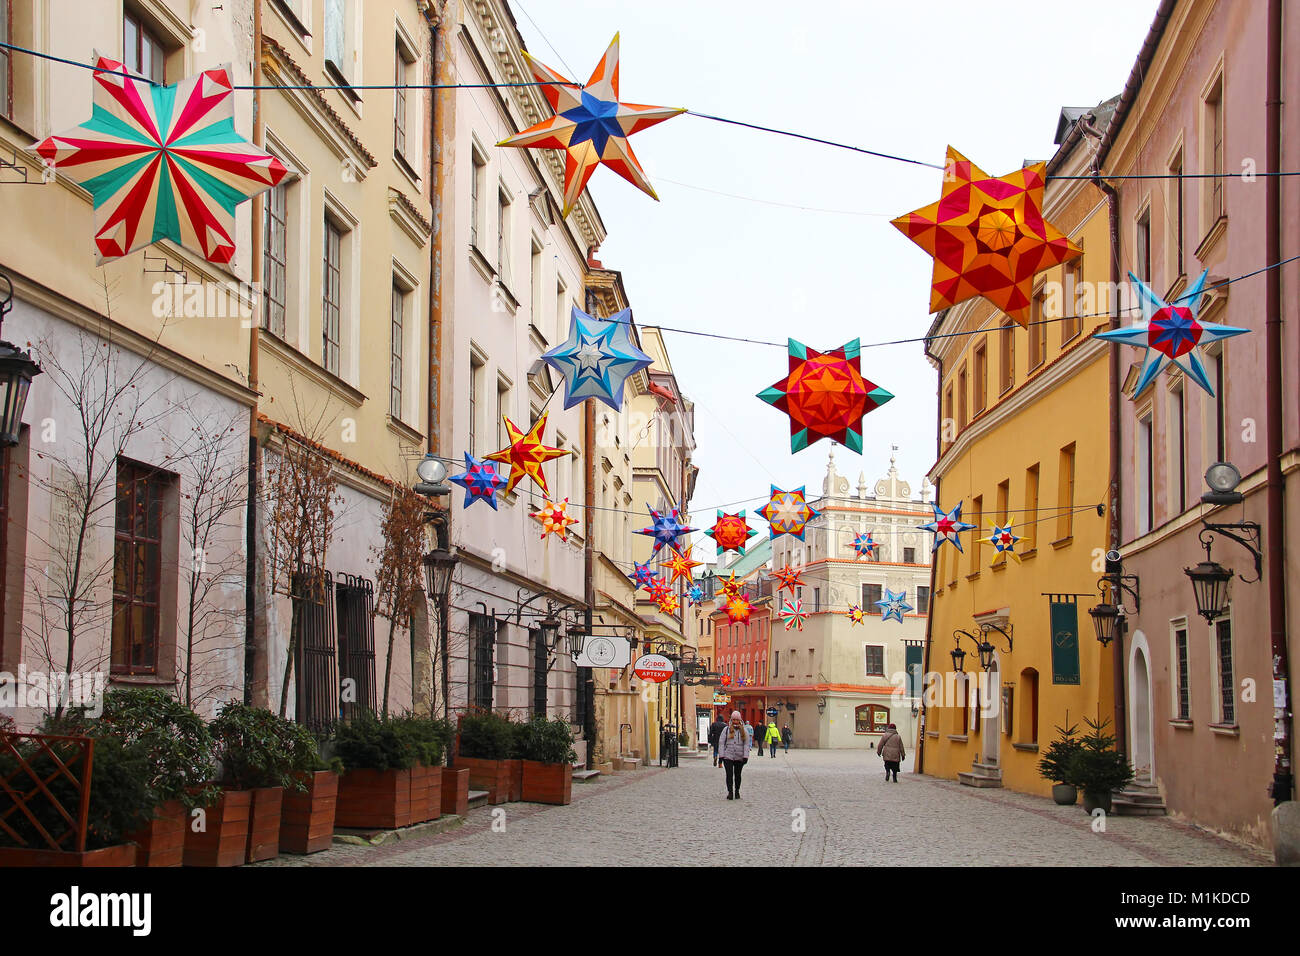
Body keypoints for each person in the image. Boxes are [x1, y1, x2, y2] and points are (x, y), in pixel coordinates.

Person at [717, 711, 751, 799]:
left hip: (739, 757)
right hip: (728, 756)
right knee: (729, 774)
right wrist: (721, 755)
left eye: (737, 719)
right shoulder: (726, 730)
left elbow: (746, 744)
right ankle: (730, 792)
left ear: (740, 720)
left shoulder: (744, 731)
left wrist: (745, 756)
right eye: (734, 719)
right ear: (731, 720)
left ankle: (737, 791)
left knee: (738, 775)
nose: (735, 721)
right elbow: (721, 743)